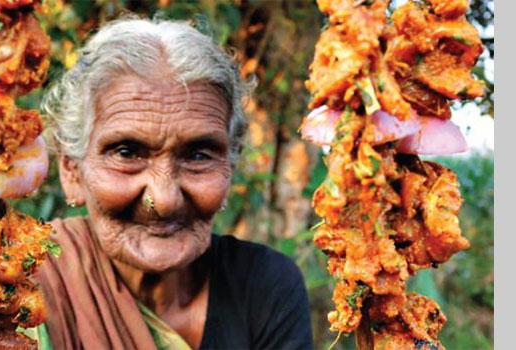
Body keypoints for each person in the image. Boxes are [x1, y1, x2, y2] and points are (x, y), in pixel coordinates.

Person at [32, 18, 312, 349]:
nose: (164, 200)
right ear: (71, 170)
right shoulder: (24, 281)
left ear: (230, 166)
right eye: (127, 152)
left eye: (197, 156)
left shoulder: (264, 286)